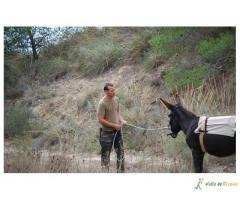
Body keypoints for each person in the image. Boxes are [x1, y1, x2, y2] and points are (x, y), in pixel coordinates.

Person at [97, 83, 127, 172]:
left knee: (121, 154)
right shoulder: (102, 103)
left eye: (114, 90)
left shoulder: (116, 99)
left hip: (118, 132)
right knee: (105, 156)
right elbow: (100, 119)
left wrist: (122, 120)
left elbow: (117, 113)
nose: (114, 92)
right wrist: (115, 125)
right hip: (106, 133)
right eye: (111, 90)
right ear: (106, 91)